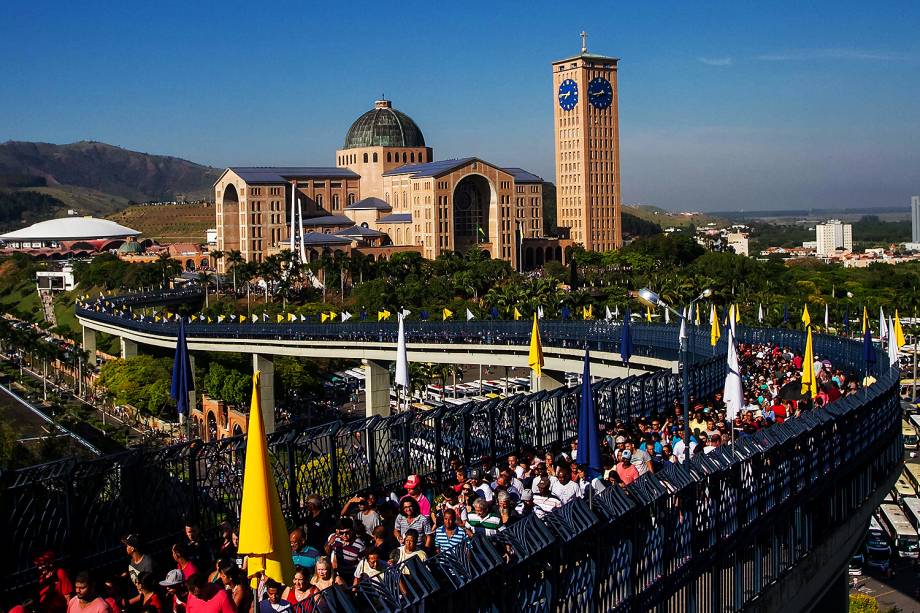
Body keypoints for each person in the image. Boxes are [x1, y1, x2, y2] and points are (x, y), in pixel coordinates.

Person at [324, 518, 365, 584]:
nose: (344, 535)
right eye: (342, 533)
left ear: (352, 530)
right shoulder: (334, 538)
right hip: (338, 575)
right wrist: (330, 543)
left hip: (352, 577)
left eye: (347, 532)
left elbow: (361, 567)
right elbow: (327, 552)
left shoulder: (359, 546)